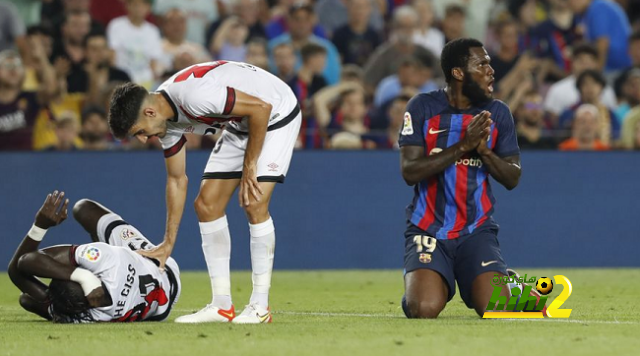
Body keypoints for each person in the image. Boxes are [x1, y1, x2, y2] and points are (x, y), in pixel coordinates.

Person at [107, 60, 301, 324]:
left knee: (254, 202)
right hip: (241, 122)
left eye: (139, 132)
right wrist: (167, 244)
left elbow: (261, 107)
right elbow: (176, 180)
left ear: (149, 113)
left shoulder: (194, 95)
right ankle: (221, 306)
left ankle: (260, 306)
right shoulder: (164, 121)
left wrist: (250, 166)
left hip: (276, 112)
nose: (143, 139)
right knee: (207, 205)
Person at [399, 38, 542, 318]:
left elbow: (512, 178)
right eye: (482, 64)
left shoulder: (498, 113)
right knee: (423, 309)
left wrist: (485, 152)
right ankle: (427, 280)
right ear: (458, 73)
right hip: (428, 228)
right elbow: (410, 172)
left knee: (493, 307)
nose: (491, 70)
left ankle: (504, 280)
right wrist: (463, 146)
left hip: (476, 229)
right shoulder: (422, 108)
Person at [7, 191, 181, 323]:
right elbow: (26, 262)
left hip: (161, 306)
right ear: (93, 280)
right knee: (83, 208)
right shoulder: (108, 260)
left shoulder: (84, 317)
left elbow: (24, 291)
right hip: (162, 267)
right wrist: (83, 275)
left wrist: (39, 226)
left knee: (31, 299)